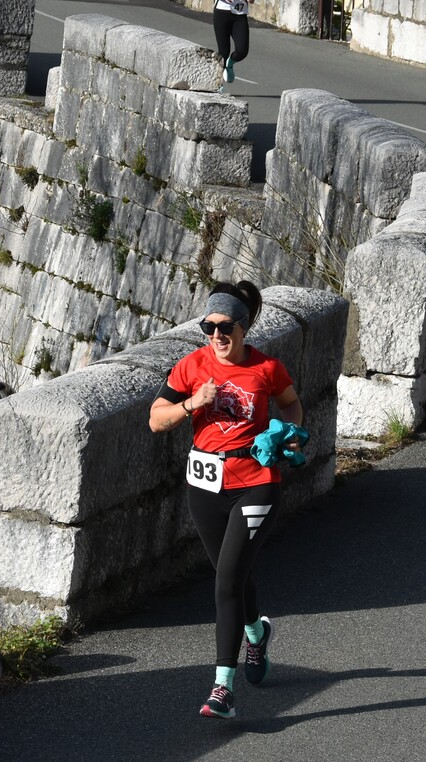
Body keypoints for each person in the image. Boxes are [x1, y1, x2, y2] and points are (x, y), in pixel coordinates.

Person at [148, 280, 304, 719]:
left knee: (226, 580)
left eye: (225, 326)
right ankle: (256, 635)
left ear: (243, 326)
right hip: (204, 486)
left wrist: (289, 433)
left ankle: (223, 689)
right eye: (209, 326)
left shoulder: (267, 368)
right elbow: (156, 420)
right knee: (231, 575)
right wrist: (192, 404)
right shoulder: (191, 366)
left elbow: (291, 405)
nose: (216, 335)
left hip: (256, 482)